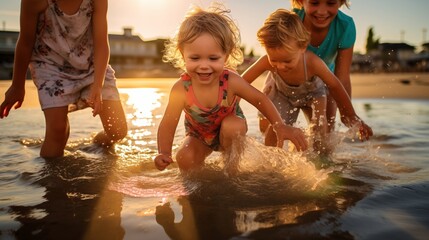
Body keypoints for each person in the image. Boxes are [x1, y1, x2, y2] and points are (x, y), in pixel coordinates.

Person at [154, 4, 308, 172]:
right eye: (195, 58)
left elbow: (259, 99)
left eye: (213, 58)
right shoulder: (181, 89)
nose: (204, 66)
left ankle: (231, 171)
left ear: (226, 56)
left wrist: (280, 125)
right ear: (182, 54)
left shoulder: (231, 81)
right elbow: (168, 123)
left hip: (231, 132)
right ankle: (200, 185)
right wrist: (164, 152)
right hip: (200, 137)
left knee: (232, 126)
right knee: (184, 157)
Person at [0, 0, 128, 158]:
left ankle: (97, 143)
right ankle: (48, 179)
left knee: (118, 130)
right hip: (50, 66)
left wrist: (98, 84)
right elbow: (26, 42)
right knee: (57, 131)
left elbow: (102, 42)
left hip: (92, 64)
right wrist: (17, 86)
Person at [241, 9, 372, 151]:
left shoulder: (312, 62)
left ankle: (320, 161)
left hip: (313, 94)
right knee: (274, 128)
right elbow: (241, 83)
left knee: (320, 129)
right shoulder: (266, 61)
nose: (280, 66)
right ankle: (270, 162)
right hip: (282, 93)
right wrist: (230, 107)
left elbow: (335, 85)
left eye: (287, 60)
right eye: (274, 60)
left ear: (302, 47)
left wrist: (351, 115)